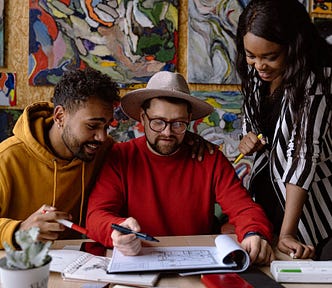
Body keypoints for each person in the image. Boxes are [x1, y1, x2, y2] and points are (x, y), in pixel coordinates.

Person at [86, 71, 275, 265]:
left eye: (178, 124)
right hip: (137, 261)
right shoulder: (120, 157)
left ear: (189, 119)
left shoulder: (209, 158)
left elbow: (243, 207)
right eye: (158, 122)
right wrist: (116, 232)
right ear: (142, 118)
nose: (167, 132)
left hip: (197, 264)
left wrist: (254, 232)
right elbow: (95, 216)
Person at [235, 0, 332, 260]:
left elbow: (303, 154)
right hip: (268, 199)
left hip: (306, 207)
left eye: (270, 56)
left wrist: (288, 232)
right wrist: (247, 136)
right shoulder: (257, 74)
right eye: (251, 55)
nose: (259, 65)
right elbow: (253, 120)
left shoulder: (315, 81)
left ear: (293, 45)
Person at [0, 67, 120, 248]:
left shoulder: (104, 151)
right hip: (19, 268)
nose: (102, 137)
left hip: (80, 265)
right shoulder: (7, 158)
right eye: (92, 126)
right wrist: (20, 230)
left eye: (107, 126)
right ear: (60, 116)